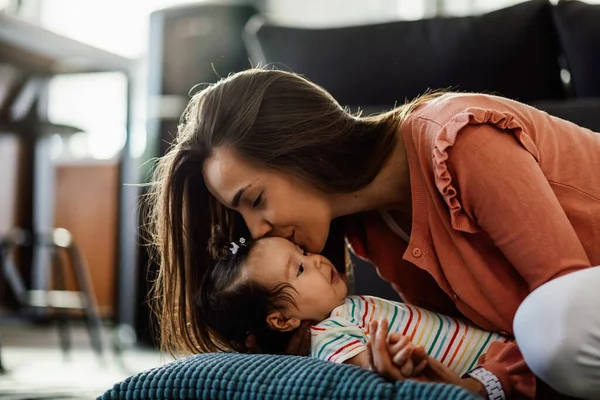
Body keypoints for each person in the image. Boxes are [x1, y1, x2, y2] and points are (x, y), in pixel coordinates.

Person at [148, 68, 600, 399]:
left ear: (300, 150)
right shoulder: (373, 230)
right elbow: (481, 336)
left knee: (553, 322)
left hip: (579, 309)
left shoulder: (459, 140)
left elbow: (565, 299)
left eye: (256, 198)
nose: (257, 229)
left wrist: (487, 385)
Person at [197, 232, 509, 383]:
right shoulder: (326, 335)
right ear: (283, 320)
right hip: (488, 370)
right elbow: (360, 363)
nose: (316, 259)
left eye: (303, 252)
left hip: (498, 349)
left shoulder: (341, 311)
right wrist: (385, 360)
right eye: (300, 269)